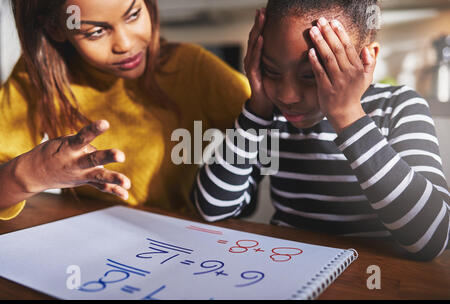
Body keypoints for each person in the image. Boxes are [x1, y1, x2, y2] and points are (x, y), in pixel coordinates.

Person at [192, 0, 450, 261]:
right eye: (271, 70)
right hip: (286, 268)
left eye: (312, 75)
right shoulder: (268, 116)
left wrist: (348, 115)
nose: (287, 95)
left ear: (366, 59)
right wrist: (256, 110)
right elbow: (213, 208)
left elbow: (433, 238)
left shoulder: (399, 107)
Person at [0, 0, 250, 219]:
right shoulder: (37, 79)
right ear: (56, 28)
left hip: (179, 242)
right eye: (96, 32)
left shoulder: (193, 68)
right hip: (89, 239)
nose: (125, 44)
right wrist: (36, 173)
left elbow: (265, 125)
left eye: (133, 15)